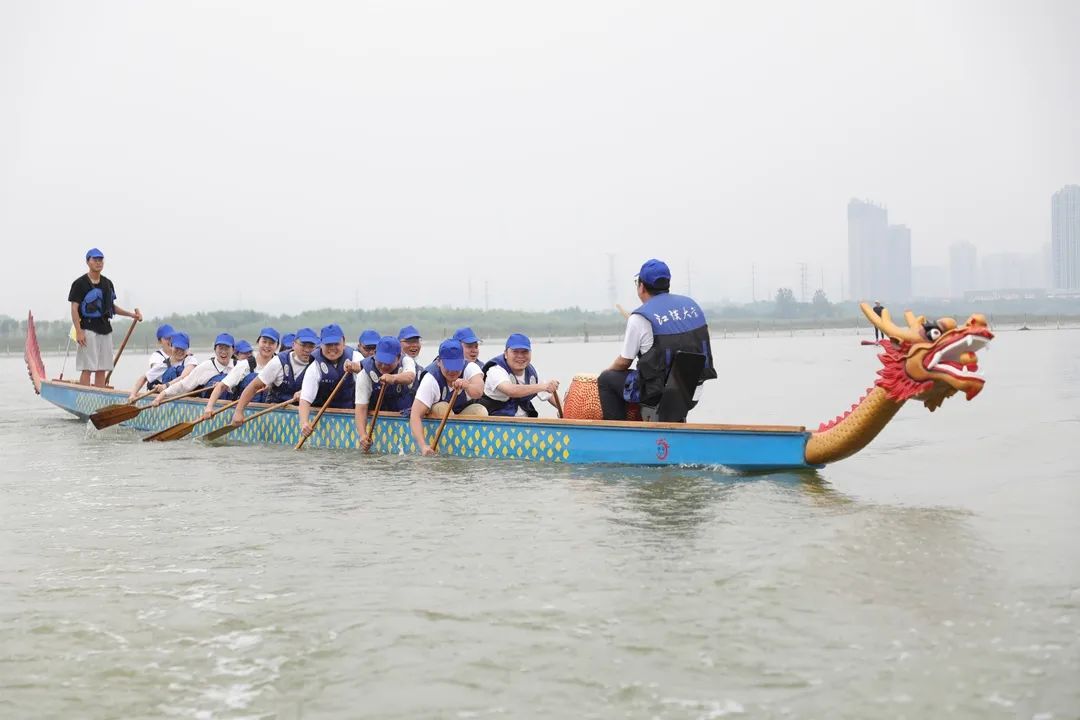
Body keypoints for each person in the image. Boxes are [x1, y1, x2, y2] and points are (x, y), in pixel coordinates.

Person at [597, 259, 716, 421]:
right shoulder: (692, 306)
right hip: (692, 392)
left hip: (657, 394)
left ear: (641, 287)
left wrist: (607, 370)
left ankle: (618, 436)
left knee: (606, 380)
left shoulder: (639, 317)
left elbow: (624, 362)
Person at [67, 247, 142, 387]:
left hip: (105, 328)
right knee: (88, 367)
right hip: (87, 328)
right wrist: (79, 331)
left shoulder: (107, 284)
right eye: (95, 259)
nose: (98, 262)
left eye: (100, 260)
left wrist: (132, 315)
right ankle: (85, 396)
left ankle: (98, 396)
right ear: (87, 262)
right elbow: (74, 308)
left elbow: (111, 307)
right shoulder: (79, 284)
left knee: (102, 367)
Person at [229, 327, 318, 426]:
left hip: (306, 414)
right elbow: (254, 386)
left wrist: (305, 392)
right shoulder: (278, 362)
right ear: (294, 345)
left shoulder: (319, 363)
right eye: (303, 345)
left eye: (311, 346)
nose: (307, 350)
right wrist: (239, 412)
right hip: (277, 413)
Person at [353, 336, 418, 451]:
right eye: (380, 362)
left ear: (398, 358)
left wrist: (392, 378)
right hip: (379, 420)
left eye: (388, 363)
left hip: (406, 417)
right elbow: (361, 407)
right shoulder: (365, 374)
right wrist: (362, 435)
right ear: (375, 354)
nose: (383, 367)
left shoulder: (406, 361)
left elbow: (410, 377)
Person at [200, 327, 279, 420]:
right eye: (264, 342)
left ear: (277, 346)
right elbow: (221, 386)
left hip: (271, 414)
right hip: (244, 414)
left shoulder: (280, 365)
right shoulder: (244, 365)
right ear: (258, 342)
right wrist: (209, 407)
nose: (267, 346)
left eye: (271, 343)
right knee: (252, 378)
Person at [298, 324, 361, 438]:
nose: (332, 348)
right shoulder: (315, 366)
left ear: (344, 342)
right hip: (323, 415)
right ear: (321, 344)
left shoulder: (356, 358)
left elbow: (370, 378)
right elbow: (305, 400)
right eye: (328, 344)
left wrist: (359, 369)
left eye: (336, 344)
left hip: (352, 414)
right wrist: (304, 423)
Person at [410, 339, 472, 455]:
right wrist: (423, 446)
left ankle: (468, 448)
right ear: (439, 362)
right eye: (448, 366)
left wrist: (468, 386)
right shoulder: (430, 380)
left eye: (456, 366)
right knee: (444, 407)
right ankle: (448, 448)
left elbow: (478, 391)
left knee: (480, 410)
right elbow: (415, 415)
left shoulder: (470, 369)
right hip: (435, 414)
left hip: (457, 417)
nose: (453, 371)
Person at [479, 333, 559, 417]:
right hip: (496, 422)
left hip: (525, 423)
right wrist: (544, 387)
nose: (520, 356)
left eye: (525, 352)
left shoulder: (532, 373)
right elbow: (511, 390)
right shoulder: (495, 371)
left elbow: (549, 393)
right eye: (515, 352)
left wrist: (565, 411)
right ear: (506, 353)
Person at [152, 333, 236, 405]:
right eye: (220, 348)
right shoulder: (205, 367)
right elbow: (184, 385)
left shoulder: (239, 366)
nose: (223, 351)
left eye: (227, 348)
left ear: (233, 350)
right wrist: (163, 394)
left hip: (233, 405)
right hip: (211, 408)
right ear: (215, 349)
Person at [127, 323, 174, 398]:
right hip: (159, 392)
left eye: (172, 337)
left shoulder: (182, 354)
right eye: (167, 338)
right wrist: (133, 395)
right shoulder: (157, 357)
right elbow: (145, 377)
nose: (170, 340)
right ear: (159, 342)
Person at [450, 327, 486, 409]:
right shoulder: (443, 364)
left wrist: (467, 386)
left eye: (476, 347)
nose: (474, 350)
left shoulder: (481, 367)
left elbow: (479, 393)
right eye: (469, 346)